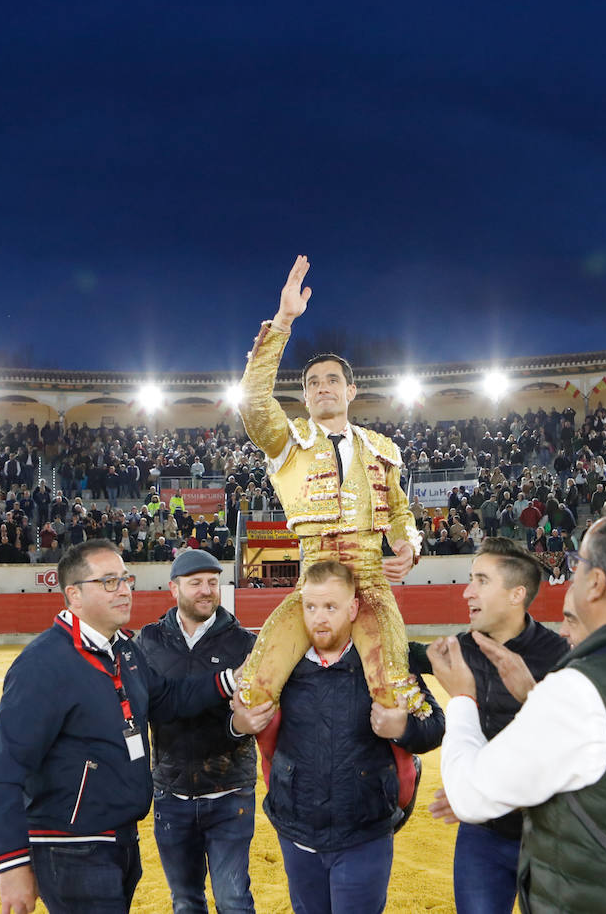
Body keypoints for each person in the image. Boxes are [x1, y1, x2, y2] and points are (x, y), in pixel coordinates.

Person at [429, 497, 606, 912]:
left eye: (577, 563)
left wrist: (462, 698)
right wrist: (535, 699)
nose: (569, 573)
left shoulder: (582, 687)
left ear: (596, 583)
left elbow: (472, 794)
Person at [0, 539, 241, 914]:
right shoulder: (43, 664)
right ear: (74, 595)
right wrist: (12, 862)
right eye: (109, 582)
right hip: (71, 847)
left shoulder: (126, 651)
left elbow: (168, 700)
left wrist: (229, 680)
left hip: (120, 839)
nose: (125, 590)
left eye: (126, 579)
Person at [235, 255, 429, 719]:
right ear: (303, 397)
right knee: (255, 687)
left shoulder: (383, 448)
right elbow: (253, 401)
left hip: (371, 581)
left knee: (396, 694)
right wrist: (283, 321)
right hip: (314, 583)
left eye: (332, 380)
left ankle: (401, 787)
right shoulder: (289, 440)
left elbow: (400, 512)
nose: (323, 387)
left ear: (350, 391)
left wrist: (405, 544)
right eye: (313, 383)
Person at [243, 560, 443, 914]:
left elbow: (433, 727)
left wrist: (403, 730)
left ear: (353, 609)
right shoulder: (281, 667)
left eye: (331, 607)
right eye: (311, 606)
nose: (319, 617)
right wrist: (240, 722)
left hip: (363, 833)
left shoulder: (384, 662)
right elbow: (241, 722)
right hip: (298, 831)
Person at [410, 537, 569, 914]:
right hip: (482, 833)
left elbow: (567, 759)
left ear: (516, 595)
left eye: (481, 580)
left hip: (549, 837)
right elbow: (407, 654)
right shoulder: (463, 648)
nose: (466, 592)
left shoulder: (561, 658)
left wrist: (483, 793)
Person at [135, 549, 259, 914]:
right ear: (173, 589)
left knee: (233, 899)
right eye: (196, 584)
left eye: (212, 582)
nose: (207, 591)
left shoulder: (244, 644)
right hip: (171, 796)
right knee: (186, 901)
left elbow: (257, 714)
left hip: (229, 791)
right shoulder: (149, 641)